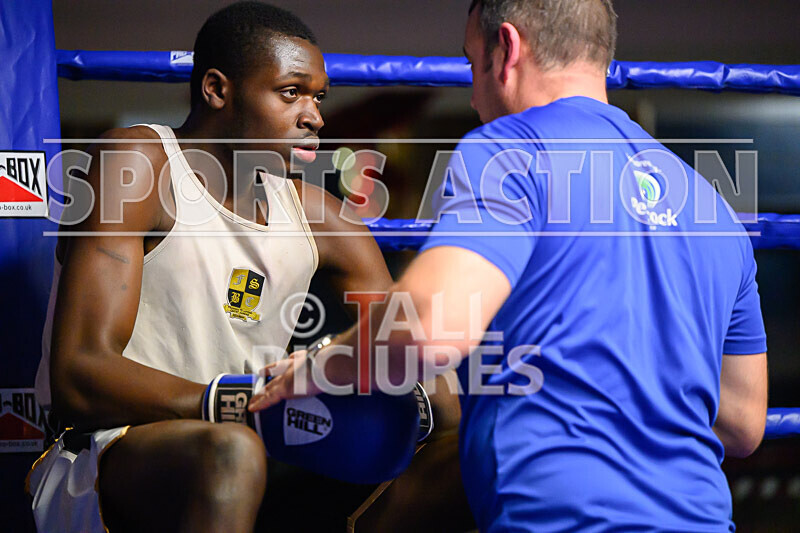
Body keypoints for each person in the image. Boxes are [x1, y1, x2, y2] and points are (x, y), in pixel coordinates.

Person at [254, 0, 769, 531]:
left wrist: (320, 367)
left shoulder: (511, 150)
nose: (475, 96)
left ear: (507, 49)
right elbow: (741, 422)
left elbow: (432, 330)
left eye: (472, 64)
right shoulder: (713, 208)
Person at [27, 2, 465, 532]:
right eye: (291, 92)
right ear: (217, 89)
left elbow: (432, 383)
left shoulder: (319, 215)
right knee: (230, 452)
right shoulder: (139, 164)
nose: (315, 116)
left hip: (253, 446)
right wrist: (242, 403)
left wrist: (379, 400)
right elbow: (79, 374)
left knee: (475, 457)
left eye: (319, 97)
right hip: (106, 459)